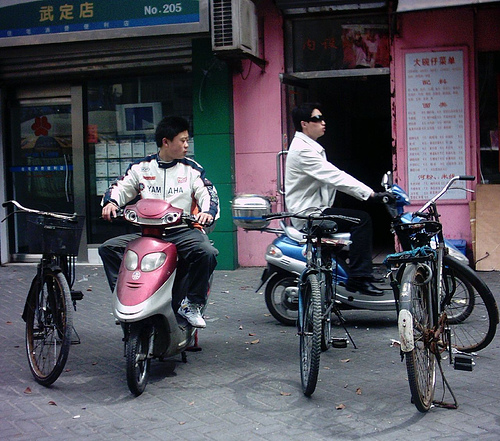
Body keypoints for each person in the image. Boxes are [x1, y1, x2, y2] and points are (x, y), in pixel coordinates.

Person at [99, 116, 219, 327]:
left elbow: (208, 194)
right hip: (147, 233)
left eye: (187, 140)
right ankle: (125, 298)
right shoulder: (141, 168)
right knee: (108, 249)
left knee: (206, 253)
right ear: (166, 142)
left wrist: (207, 213)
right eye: (182, 140)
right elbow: (120, 188)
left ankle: (192, 304)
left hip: (181, 232)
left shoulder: (192, 170)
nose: (186, 145)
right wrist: (110, 203)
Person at [285, 103, 392, 296]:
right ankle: (359, 278)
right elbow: (335, 176)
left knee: (354, 217)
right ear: (304, 124)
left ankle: (355, 274)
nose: (323, 122)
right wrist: (370, 194)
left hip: (315, 209)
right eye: (317, 119)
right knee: (362, 220)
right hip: (309, 214)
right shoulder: (303, 151)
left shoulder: (308, 146)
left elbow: (332, 178)